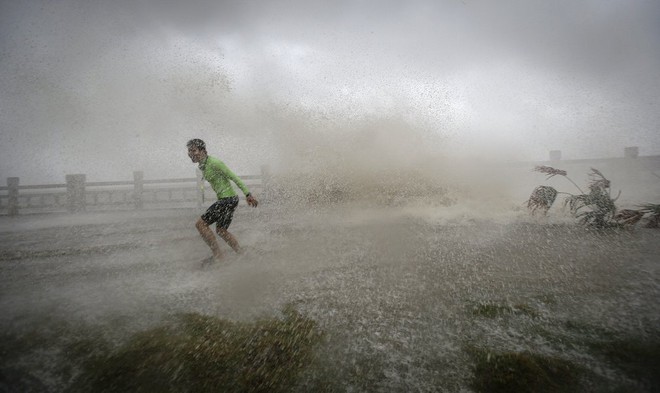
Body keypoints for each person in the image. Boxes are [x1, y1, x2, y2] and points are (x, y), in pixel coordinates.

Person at [186, 138, 258, 264]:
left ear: (203, 151)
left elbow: (234, 177)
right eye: (189, 151)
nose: (191, 153)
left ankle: (218, 256)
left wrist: (248, 194)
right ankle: (242, 253)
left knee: (200, 224)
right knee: (221, 230)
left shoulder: (214, 162)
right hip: (229, 200)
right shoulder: (203, 165)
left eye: (194, 150)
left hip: (228, 199)